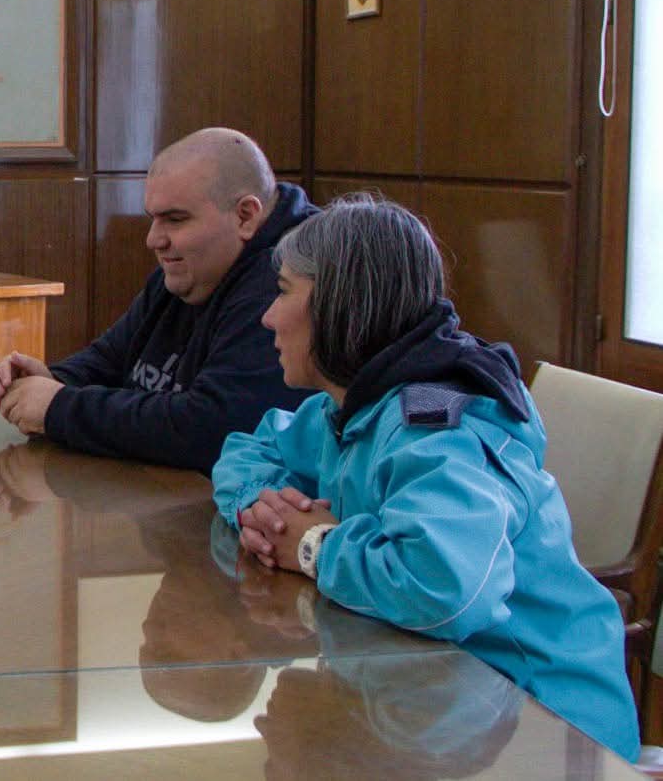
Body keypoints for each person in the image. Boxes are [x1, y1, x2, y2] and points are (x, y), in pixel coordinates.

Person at [212, 193, 639, 759]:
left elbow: (447, 593)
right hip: (434, 703)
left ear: (339, 304)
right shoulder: (354, 404)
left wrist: (315, 546)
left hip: (541, 726)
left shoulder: (437, 426)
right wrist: (261, 506)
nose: (268, 316)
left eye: (284, 291)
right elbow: (248, 449)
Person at [0, 128, 316, 471]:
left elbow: (214, 428)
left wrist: (59, 407)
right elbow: (110, 359)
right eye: (153, 219)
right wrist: (54, 380)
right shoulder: (190, 270)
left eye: (175, 220)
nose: (153, 240)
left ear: (245, 216)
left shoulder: (291, 283)